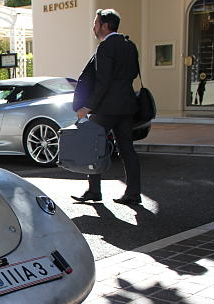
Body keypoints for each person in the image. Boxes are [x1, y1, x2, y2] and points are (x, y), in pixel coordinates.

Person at [71, 9, 142, 206]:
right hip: (127, 106)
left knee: (92, 146)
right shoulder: (130, 46)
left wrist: (87, 107)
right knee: (127, 150)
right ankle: (133, 193)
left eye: (95, 23)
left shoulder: (105, 48)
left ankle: (94, 191)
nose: (93, 27)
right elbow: (134, 73)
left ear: (104, 25)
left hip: (107, 108)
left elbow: (103, 82)